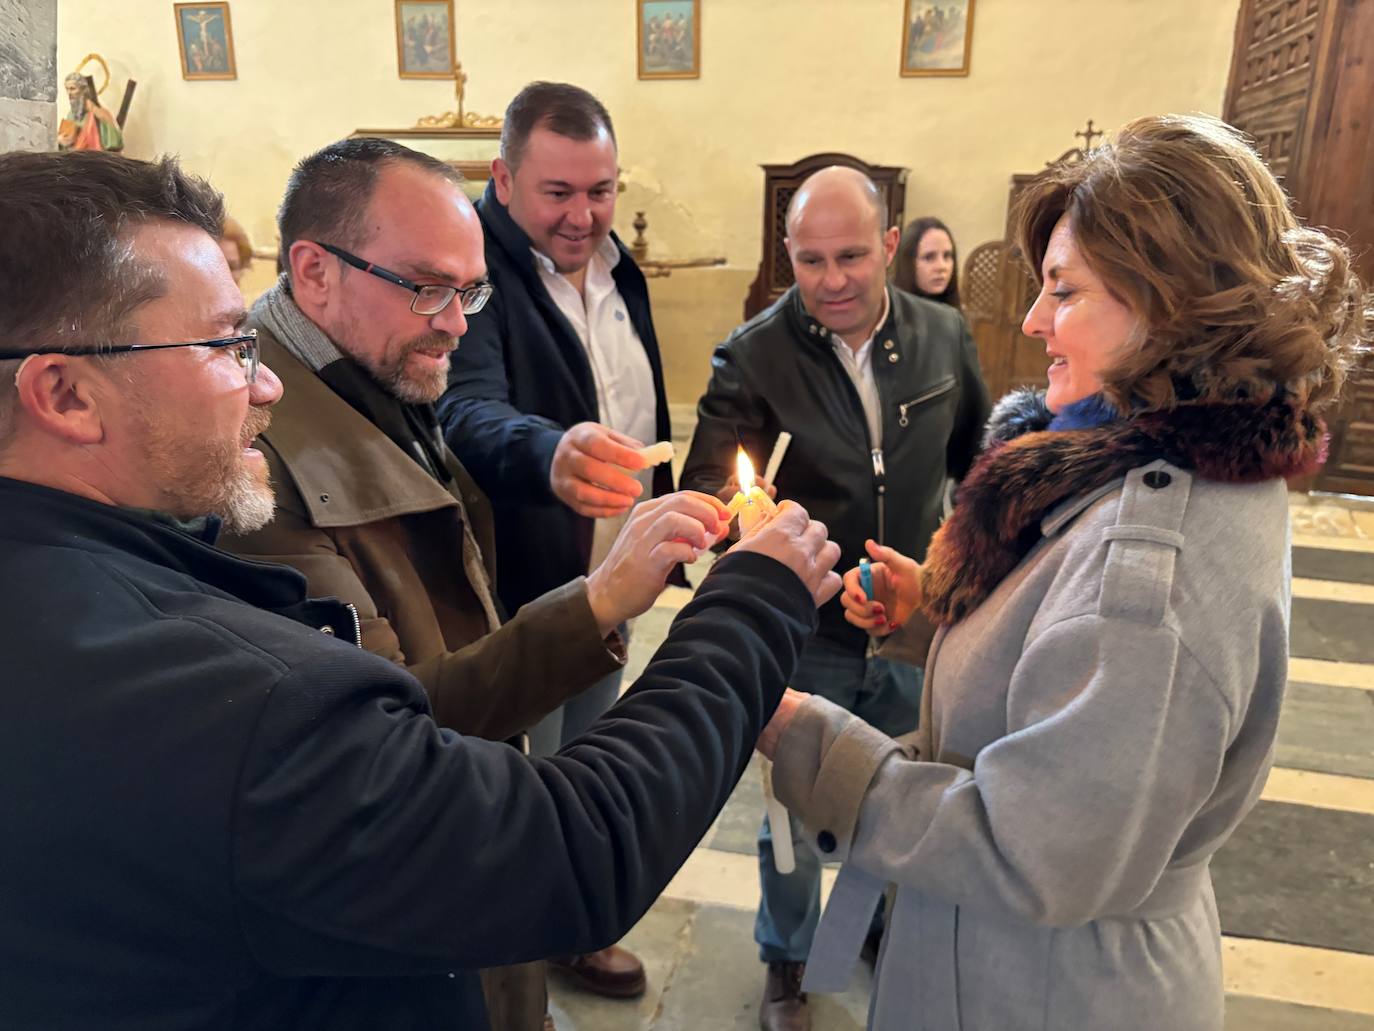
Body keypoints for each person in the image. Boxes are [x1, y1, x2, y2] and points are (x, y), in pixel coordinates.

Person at [0, 148, 842, 1031]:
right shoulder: (208, 689)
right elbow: (566, 850)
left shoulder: (81, 575)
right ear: (64, 393)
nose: (266, 382)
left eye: (470, 293)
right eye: (222, 344)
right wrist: (751, 599)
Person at [756, 114, 1371, 1030]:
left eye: (1064, 290)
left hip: (1044, 987)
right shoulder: (1147, 460)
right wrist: (942, 617)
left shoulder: (1150, 570)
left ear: (1171, 303)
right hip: (1003, 959)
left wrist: (800, 732)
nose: (1035, 319)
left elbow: (1031, 849)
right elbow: (1066, 665)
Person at [219, 137, 693, 1030]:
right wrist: (599, 600)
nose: (458, 321)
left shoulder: (371, 369)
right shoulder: (253, 461)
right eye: (428, 286)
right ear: (313, 272)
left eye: (469, 289)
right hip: (401, 926)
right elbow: (394, 728)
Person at [680, 166, 990, 1031]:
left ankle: (886, 924)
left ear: (889, 244)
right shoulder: (753, 353)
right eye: (810, 260)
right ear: (788, 256)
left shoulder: (944, 333)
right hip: (806, 628)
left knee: (906, 785)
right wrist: (744, 521)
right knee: (794, 806)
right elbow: (710, 484)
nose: (833, 280)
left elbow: (978, 466)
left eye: (852, 255)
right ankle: (787, 959)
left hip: (909, 621)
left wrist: (951, 575)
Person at [438, 81, 678, 999]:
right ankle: (512, 966)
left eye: (602, 189)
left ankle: (576, 927)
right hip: (530, 576)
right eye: (559, 193)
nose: (585, 216)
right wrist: (549, 453)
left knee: (595, 751)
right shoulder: (477, 270)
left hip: (613, 567)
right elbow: (464, 407)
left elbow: (635, 394)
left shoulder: (620, 266)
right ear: (503, 177)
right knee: (519, 774)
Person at [892, 216, 959, 309]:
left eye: (947, 256)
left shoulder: (955, 317)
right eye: (929, 257)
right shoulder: (889, 313)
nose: (942, 267)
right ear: (908, 263)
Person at [56, 72, 123, 152]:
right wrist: (60, 140)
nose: (69, 93)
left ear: (83, 90)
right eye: (67, 89)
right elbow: (64, 139)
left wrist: (94, 110)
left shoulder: (98, 113)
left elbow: (115, 140)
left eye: (72, 88)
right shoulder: (71, 114)